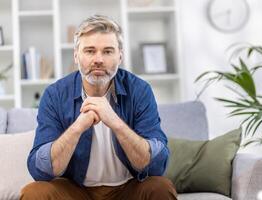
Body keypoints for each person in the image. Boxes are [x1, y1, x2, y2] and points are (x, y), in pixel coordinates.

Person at [21, 14, 177, 200]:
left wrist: (115, 122)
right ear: (76, 55)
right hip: (75, 190)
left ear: (120, 56)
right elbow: (40, 170)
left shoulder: (140, 90)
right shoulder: (55, 94)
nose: (98, 59)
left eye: (108, 51)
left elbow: (157, 165)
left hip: (128, 188)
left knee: (161, 187)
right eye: (90, 51)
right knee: (34, 193)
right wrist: (78, 127)